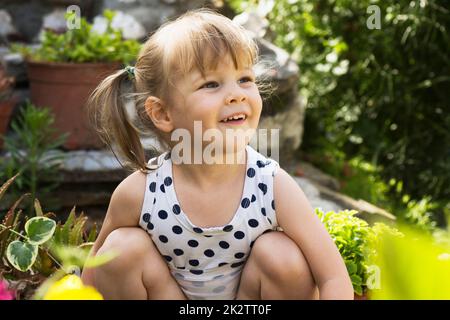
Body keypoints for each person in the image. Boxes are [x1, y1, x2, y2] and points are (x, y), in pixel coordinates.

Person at [81, 8, 353, 300]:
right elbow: (92, 274)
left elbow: (333, 277)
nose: (236, 94)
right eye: (211, 84)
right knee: (119, 249)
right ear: (162, 112)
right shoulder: (141, 192)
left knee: (282, 254)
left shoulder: (271, 185)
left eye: (245, 79)